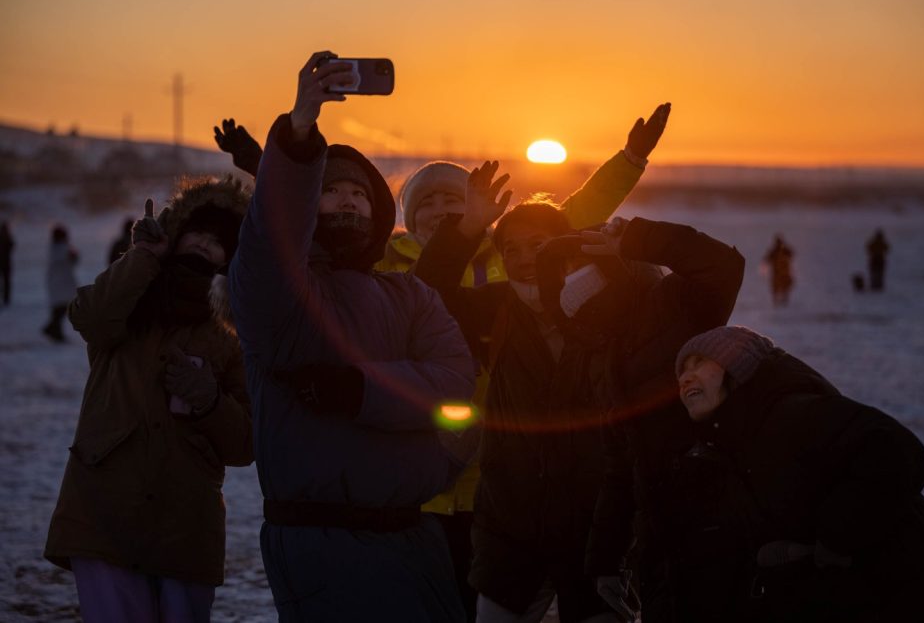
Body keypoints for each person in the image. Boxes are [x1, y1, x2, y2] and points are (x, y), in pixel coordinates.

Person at [216, 102, 671, 621]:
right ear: (407, 216)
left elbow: (572, 216)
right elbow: (309, 232)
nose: (441, 211)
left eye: (452, 200)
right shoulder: (385, 270)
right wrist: (270, 165)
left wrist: (630, 160)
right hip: (422, 482)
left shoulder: (508, 264)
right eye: (427, 201)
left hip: (494, 467)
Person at [414, 158, 744, 622]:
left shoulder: (617, 313)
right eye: (512, 248)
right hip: (510, 536)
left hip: (602, 538)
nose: (524, 258)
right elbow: (424, 295)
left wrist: (636, 238)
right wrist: (468, 226)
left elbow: (722, 270)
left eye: (538, 245)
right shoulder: (497, 312)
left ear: (570, 249)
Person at [227, 51, 477, 622]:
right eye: (333, 190)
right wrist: (298, 132)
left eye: (361, 194)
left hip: (417, 537)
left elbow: (454, 384)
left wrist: (358, 392)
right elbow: (273, 232)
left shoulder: (410, 295)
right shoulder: (280, 296)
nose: (349, 200)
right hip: (321, 544)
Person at [44, 176, 254, 623]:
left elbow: (245, 446)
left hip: (186, 528)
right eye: (196, 231)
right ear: (176, 234)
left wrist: (209, 402)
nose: (204, 244)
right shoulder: (129, 304)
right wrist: (141, 258)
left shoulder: (237, 335)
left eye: (219, 241)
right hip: (104, 515)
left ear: (234, 257)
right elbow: (88, 316)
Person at [664, 325, 924, 621]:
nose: (686, 378)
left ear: (738, 367)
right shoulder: (732, 446)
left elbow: (897, 450)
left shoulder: (792, 413)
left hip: (913, 595)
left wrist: (834, 538)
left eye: (699, 364)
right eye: (682, 372)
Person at [42, 224, 79, 342]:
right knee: (62, 307)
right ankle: (52, 329)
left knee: (59, 308)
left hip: (59, 282)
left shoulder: (55, 248)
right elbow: (74, 257)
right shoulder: (61, 248)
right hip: (61, 283)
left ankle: (54, 330)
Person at [763, 233, 793, 307]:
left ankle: (782, 303)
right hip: (777, 274)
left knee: (783, 290)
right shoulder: (775, 251)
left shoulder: (784, 250)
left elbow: (791, 254)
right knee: (777, 291)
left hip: (783, 274)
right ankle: (777, 303)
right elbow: (766, 259)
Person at [0, 220, 13, 305]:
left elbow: (12, 246)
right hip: (5, 263)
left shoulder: (7, 237)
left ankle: (6, 299)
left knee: (6, 282)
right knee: (6, 282)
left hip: (5, 263)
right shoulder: (7, 237)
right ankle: (6, 299)